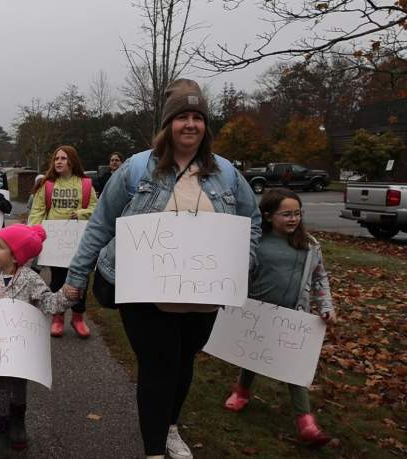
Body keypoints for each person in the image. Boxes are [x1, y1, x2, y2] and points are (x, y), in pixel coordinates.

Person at [64, 79, 261, 458]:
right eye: (182, 117)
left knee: (184, 363)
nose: (191, 124)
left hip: (203, 294)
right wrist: (76, 278)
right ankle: (154, 449)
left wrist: (243, 259)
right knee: (158, 367)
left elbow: (252, 219)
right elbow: (101, 224)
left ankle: (170, 426)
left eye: (198, 117)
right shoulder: (137, 169)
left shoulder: (225, 172)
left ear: (206, 125)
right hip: (145, 292)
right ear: (168, 124)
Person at [224, 188, 336, 447]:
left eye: (297, 213)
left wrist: (326, 305)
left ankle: (306, 422)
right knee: (253, 356)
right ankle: (242, 391)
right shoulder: (257, 243)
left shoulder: (309, 245)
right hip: (257, 315)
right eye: (286, 214)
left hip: (293, 318)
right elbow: (238, 271)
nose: (293, 218)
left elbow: (319, 277)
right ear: (267, 215)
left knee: (293, 367)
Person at [0, 224, 74, 458]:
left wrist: (66, 296)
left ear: (15, 256)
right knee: (1, 387)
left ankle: (18, 424)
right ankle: (0, 433)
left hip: (21, 347)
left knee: (19, 385)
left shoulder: (31, 279)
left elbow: (48, 303)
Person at [28, 146, 97, 339]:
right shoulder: (47, 185)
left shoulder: (85, 184)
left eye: (63, 158)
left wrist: (82, 213)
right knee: (58, 280)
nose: (58, 161)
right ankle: (58, 317)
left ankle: (78, 317)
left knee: (81, 280)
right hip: (55, 243)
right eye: (56, 158)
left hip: (79, 241)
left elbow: (96, 208)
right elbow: (37, 212)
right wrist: (35, 234)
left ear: (72, 161)